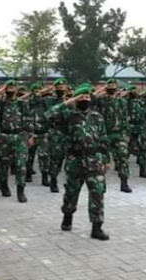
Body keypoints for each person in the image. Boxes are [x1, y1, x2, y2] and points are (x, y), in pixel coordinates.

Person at [46, 86, 110, 240]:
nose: (84, 99)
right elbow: (48, 115)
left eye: (87, 97)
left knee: (97, 193)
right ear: (75, 99)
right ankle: (67, 216)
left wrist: (106, 159)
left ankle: (97, 227)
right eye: (81, 97)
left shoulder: (97, 116)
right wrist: (67, 103)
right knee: (71, 192)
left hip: (94, 160)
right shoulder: (68, 116)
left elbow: (103, 138)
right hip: (75, 160)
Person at [0, 80, 30, 203]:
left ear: (16, 90)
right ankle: (4, 185)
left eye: (13, 87)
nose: (11, 89)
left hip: (19, 137)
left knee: (21, 166)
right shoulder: (0, 103)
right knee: (3, 165)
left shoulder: (22, 103)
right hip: (4, 137)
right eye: (9, 88)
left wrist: (30, 136)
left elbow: (28, 119)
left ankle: (20, 191)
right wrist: (1, 89)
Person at [94, 79, 132, 193]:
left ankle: (124, 182)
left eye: (113, 86)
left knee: (123, 159)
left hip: (119, 134)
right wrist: (101, 90)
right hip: (105, 133)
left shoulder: (122, 101)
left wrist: (126, 134)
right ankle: (102, 183)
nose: (112, 88)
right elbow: (91, 98)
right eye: (109, 86)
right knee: (102, 160)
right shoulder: (102, 100)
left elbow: (125, 117)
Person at [126, 85, 146, 178]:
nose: (134, 92)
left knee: (142, 149)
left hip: (140, 127)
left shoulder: (140, 101)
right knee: (126, 149)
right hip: (129, 126)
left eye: (135, 91)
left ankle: (142, 170)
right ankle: (123, 168)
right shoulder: (124, 101)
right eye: (132, 91)